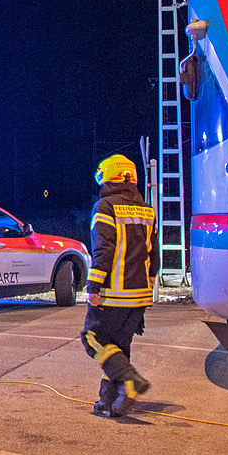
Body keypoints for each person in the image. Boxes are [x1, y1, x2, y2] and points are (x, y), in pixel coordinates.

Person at [82, 154, 155, 417]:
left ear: (107, 177)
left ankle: (130, 380)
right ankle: (113, 402)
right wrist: (151, 287)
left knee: (93, 339)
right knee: (118, 347)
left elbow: (104, 249)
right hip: (140, 294)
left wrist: (93, 287)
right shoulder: (147, 209)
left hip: (114, 292)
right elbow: (153, 254)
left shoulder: (105, 207)